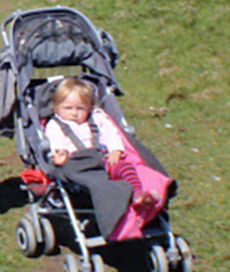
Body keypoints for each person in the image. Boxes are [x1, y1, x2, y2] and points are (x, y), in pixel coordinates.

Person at [44, 77, 159, 236]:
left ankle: (138, 194)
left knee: (125, 167)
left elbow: (111, 134)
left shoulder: (97, 118)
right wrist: (60, 154)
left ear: (89, 107)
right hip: (76, 162)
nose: (74, 113)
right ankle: (116, 221)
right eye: (68, 108)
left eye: (80, 108)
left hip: (102, 158)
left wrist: (115, 150)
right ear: (57, 108)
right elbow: (56, 144)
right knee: (100, 183)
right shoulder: (55, 125)